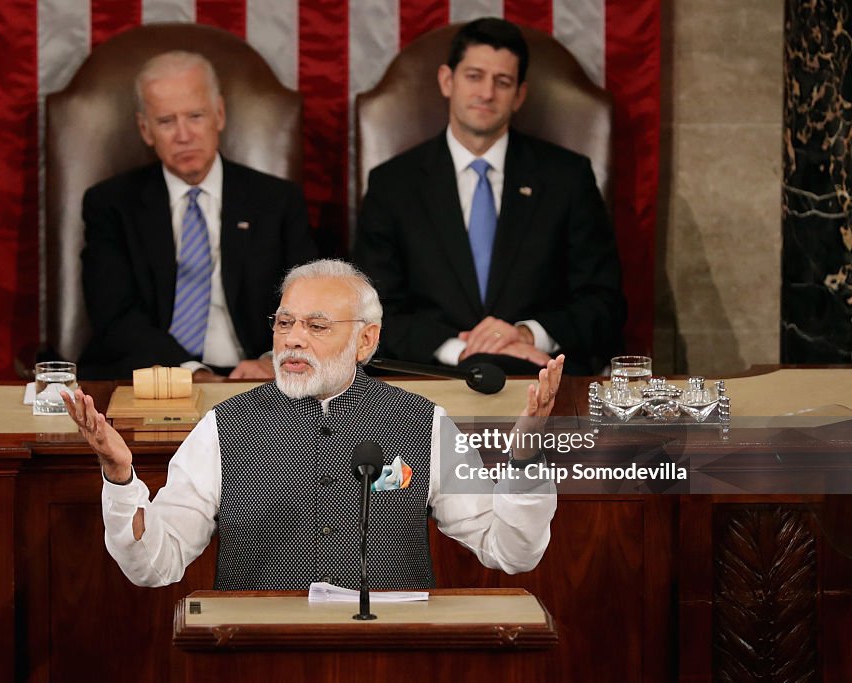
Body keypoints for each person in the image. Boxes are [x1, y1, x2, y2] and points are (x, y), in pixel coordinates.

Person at [64, 259, 561, 591]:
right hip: (257, 661)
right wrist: (121, 478)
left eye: (317, 326)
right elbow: (155, 564)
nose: (293, 340)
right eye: (284, 323)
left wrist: (522, 461)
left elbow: (509, 551)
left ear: (366, 342)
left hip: (388, 659)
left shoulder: (424, 426)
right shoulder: (223, 429)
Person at [353, 17, 626, 376]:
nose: (486, 93)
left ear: (520, 95)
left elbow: (604, 304)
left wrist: (528, 335)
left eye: (502, 82)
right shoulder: (393, 184)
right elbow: (371, 311)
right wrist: (462, 350)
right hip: (429, 380)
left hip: (540, 377)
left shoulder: (567, 178)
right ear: (447, 81)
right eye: (474, 76)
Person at [78, 51, 317, 381]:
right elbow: (115, 317)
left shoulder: (277, 201)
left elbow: (310, 304)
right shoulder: (111, 204)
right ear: (145, 130)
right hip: (153, 375)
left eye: (195, 116)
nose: (183, 134)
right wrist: (193, 372)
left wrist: (272, 361)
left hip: (254, 378)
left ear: (218, 115)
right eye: (166, 122)